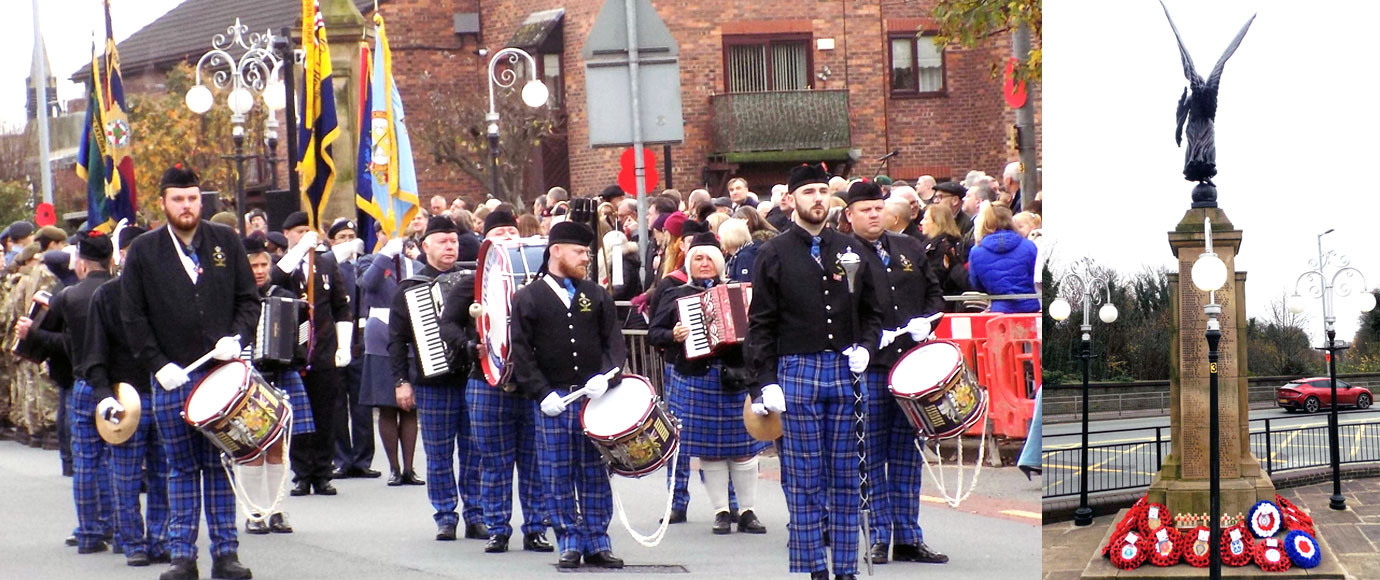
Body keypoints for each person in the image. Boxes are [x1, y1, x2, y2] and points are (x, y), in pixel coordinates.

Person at [120, 164, 258, 580]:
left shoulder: (225, 241)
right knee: (179, 468)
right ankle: (183, 555)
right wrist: (157, 364)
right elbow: (132, 317)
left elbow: (249, 300)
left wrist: (238, 337)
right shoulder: (144, 251)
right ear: (162, 202)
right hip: (171, 380)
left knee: (219, 464)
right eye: (178, 199)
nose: (186, 206)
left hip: (221, 375)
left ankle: (226, 555)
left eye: (193, 198)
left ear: (202, 201)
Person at [747, 163, 882, 580]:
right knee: (804, 477)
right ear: (791, 200)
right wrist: (763, 383)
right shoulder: (772, 252)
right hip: (797, 369)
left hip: (845, 368)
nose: (818, 199)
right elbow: (761, 324)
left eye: (823, 191)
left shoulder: (851, 247)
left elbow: (873, 312)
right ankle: (813, 569)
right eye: (809, 192)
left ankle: (845, 569)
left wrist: (867, 346)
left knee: (846, 476)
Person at [509, 221, 627, 569]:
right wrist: (542, 392)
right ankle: (569, 540)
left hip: (593, 399)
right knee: (557, 472)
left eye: (587, 253)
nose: (585, 258)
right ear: (555, 251)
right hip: (554, 402)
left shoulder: (595, 294)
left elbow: (614, 344)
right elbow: (522, 352)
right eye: (579, 252)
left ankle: (597, 541)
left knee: (593, 471)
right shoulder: (528, 297)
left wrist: (607, 377)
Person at [842, 181, 949, 565]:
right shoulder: (840, 252)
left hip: (909, 365)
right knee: (869, 454)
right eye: (865, 209)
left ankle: (908, 536)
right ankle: (878, 535)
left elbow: (934, 294)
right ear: (849, 214)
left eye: (878, 207)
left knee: (906, 454)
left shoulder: (909, 247)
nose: (874, 214)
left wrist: (928, 321)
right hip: (867, 366)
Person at [438, 210, 554, 554]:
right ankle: (498, 528)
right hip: (486, 380)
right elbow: (448, 325)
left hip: (532, 383)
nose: (506, 236)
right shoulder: (471, 282)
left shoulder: (538, 280)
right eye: (498, 232)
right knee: (493, 460)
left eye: (510, 231)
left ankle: (535, 528)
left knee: (534, 461)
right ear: (487, 240)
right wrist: (471, 346)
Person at [648, 232, 768, 536]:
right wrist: (672, 335)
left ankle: (747, 509)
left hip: (735, 376)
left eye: (709, 259)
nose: (704, 264)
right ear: (689, 262)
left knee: (743, 448)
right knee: (710, 450)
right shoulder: (676, 293)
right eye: (698, 258)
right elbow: (654, 332)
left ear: (719, 263)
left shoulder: (737, 291)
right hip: (695, 375)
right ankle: (721, 511)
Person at [19, 232, 116, 555]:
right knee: (122, 459)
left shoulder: (68, 296)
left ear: (82, 264)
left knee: (87, 461)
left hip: (83, 382)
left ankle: (90, 532)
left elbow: (57, 340)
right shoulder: (122, 292)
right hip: (121, 385)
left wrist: (32, 331)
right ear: (111, 260)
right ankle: (122, 528)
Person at [388, 216, 484, 541]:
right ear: (425, 245)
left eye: (454, 241)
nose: (450, 247)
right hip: (432, 384)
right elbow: (397, 339)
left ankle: (476, 514)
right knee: (439, 453)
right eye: (442, 241)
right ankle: (445, 515)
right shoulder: (410, 287)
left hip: (471, 378)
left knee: (474, 452)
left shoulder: (474, 281)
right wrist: (401, 380)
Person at [81, 227, 171, 566]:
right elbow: (94, 352)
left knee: (165, 473)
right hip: (124, 396)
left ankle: (160, 538)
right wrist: (103, 395)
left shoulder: (165, 295)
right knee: (125, 475)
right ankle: (132, 541)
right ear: (120, 257)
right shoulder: (105, 296)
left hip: (163, 392)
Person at [237, 237, 316, 534]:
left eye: (263, 264)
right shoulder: (236, 297)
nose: (259, 270)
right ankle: (254, 511)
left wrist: (302, 339)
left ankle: (277, 511)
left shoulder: (282, 294)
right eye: (253, 265)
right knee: (251, 446)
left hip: (281, 376)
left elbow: (302, 334)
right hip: (246, 375)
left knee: (278, 447)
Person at [273, 211, 353, 497]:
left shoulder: (327, 263)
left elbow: (341, 307)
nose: (304, 235)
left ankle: (322, 472)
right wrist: (297, 251)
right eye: (297, 231)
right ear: (286, 234)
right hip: (291, 350)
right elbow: (275, 278)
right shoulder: (284, 264)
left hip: (322, 348)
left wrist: (343, 345)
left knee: (324, 412)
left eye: (308, 230)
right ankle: (301, 473)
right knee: (296, 414)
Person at [357, 235, 423, 486]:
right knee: (387, 403)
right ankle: (394, 468)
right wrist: (385, 255)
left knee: (410, 407)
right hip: (381, 332)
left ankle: (409, 467)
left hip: (410, 334)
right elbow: (368, 284)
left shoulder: (413, 265)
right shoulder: (369, 261)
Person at [325, 220, 378, 480]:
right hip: (336, 339)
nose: (348, 241)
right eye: (342, 237)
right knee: (337, 404)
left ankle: (363, 458)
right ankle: (341, 459)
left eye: (352, 236)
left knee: (361, 403)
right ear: (332, 241)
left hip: (360, 338)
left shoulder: (363, 266)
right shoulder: (327, 266)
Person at [967, 205, 1040, 313]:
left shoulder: (976, 252)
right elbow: (1035, 276)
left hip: (999, 309)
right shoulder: (1029, 246)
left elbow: (976, 283)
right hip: (1030, 307)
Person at [921, 203, 969, 311]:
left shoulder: (944, 246)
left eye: (925, 219)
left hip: (944, 304)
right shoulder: (931, 243)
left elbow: (938, 276)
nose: (921, 222)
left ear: (937, 222)